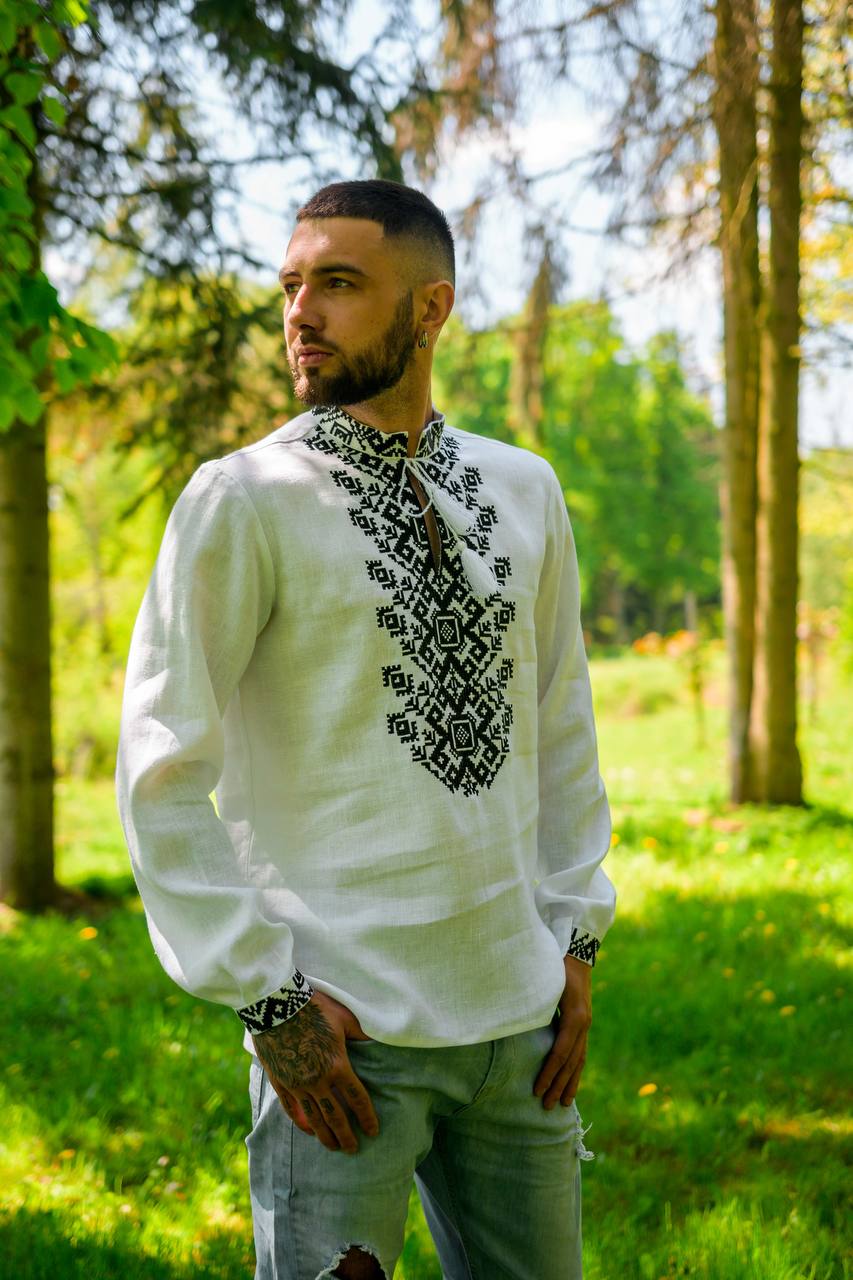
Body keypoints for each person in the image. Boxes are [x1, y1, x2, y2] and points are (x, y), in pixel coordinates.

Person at [115, 178, 616, 1280]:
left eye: (338, 283)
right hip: (343, 1040)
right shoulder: (243, 497)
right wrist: (270, 1000)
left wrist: (574, 939)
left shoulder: (522, 488)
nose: (302, 312)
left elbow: (560, 724)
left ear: (429, 308)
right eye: (292, 285)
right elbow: (160, 763)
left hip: (519, 1027)